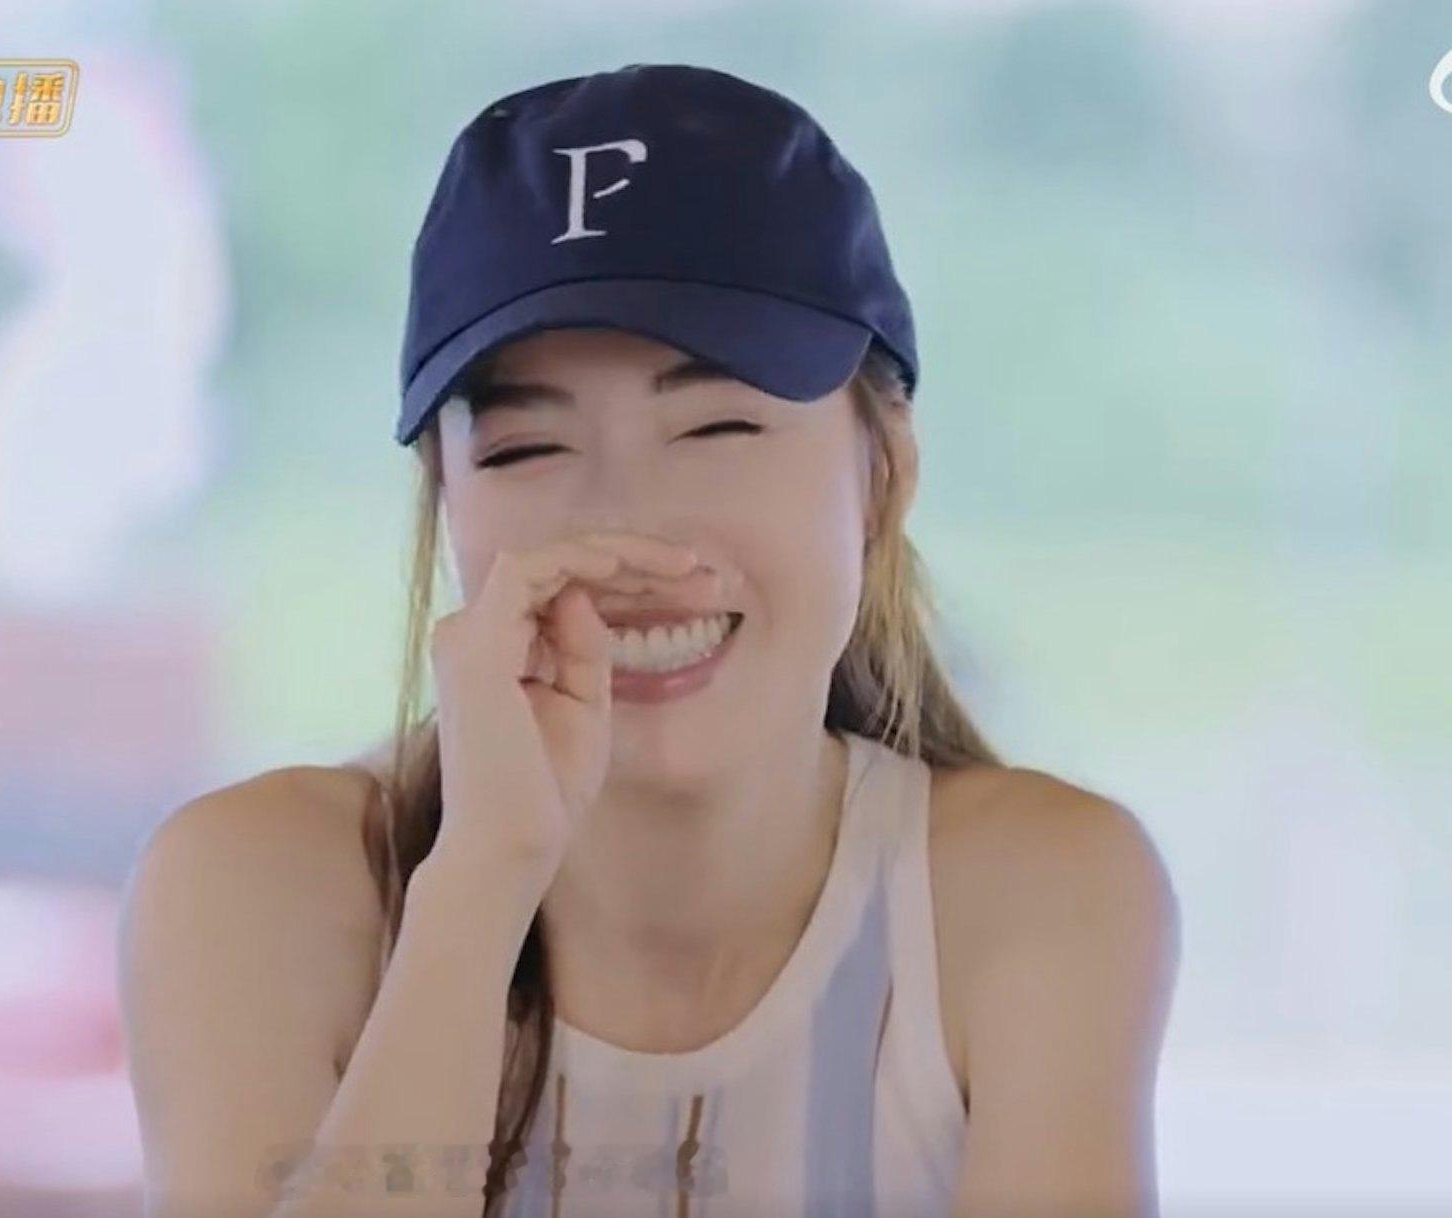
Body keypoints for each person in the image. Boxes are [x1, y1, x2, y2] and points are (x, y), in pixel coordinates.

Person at [119, 62, 1180, 1218]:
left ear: (883, 475)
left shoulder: (1035, 895)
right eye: (528, 449)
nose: (627, 535)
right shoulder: (256, 890)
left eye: (717, 427)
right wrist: (481, 878)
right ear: (447, 497)